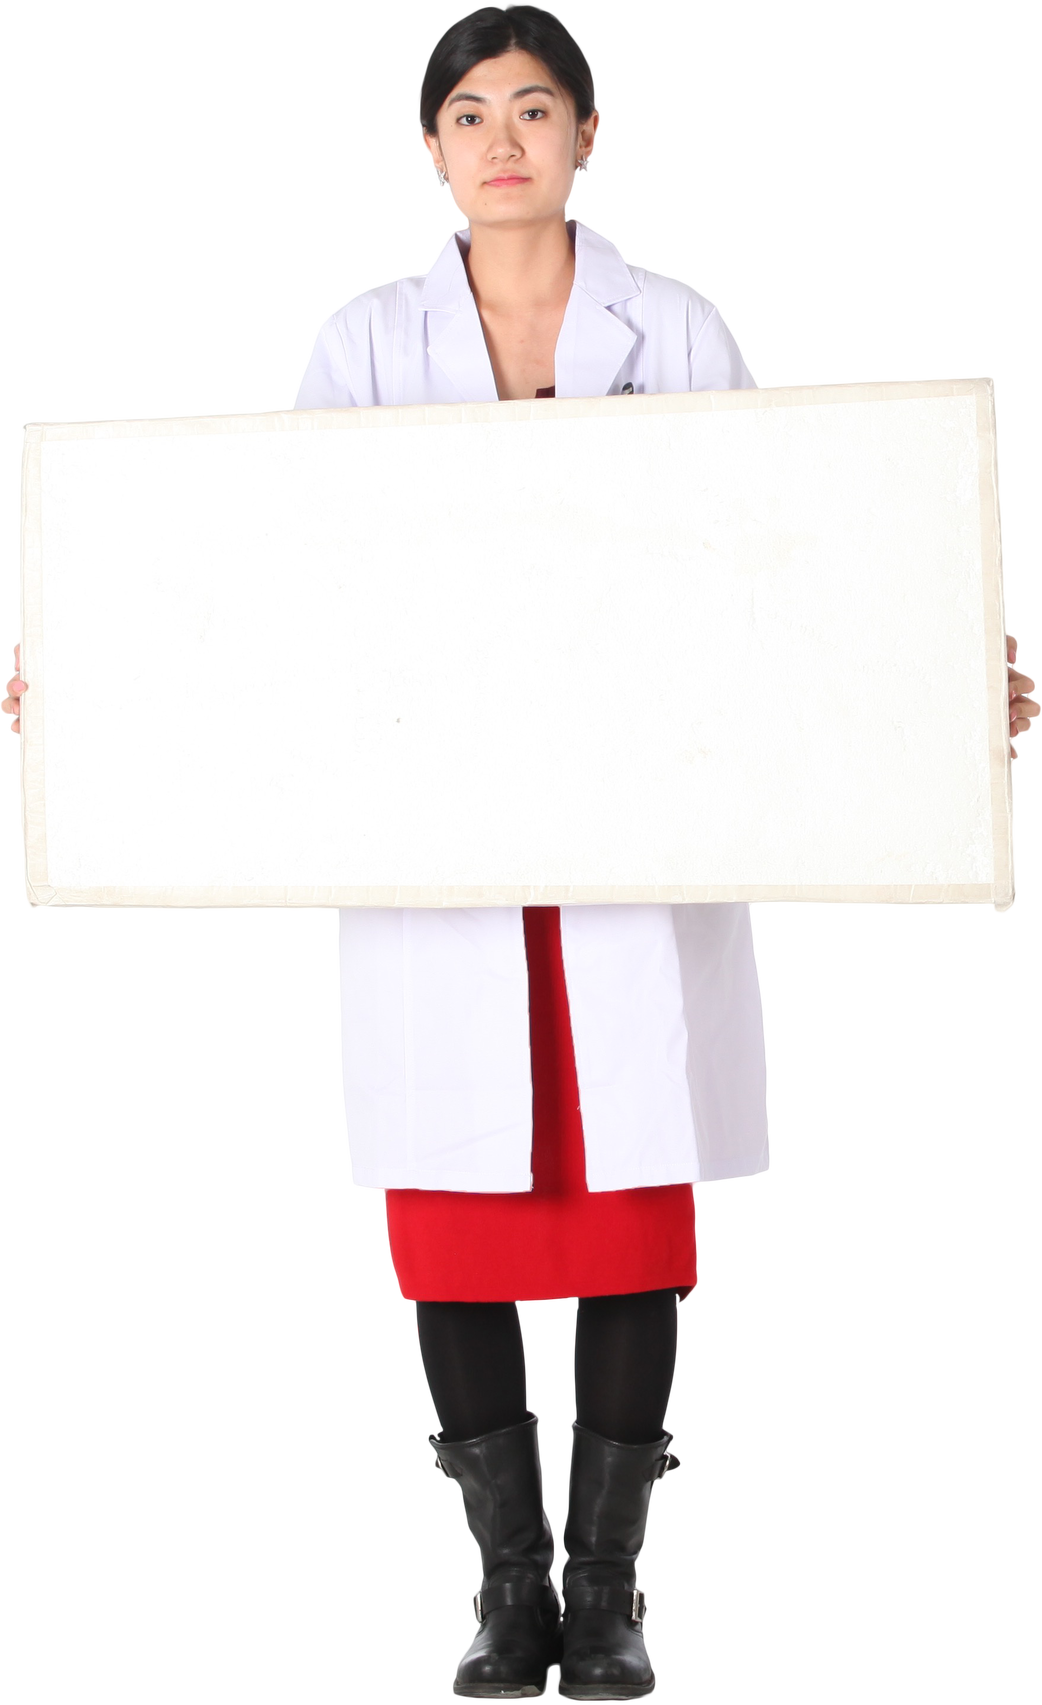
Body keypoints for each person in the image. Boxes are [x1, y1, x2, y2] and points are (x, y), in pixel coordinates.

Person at [4, 6, 1038, 1702]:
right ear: (429, 149)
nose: (503, 139)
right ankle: (504, 1586)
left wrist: (946, 682)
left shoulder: (672, 322)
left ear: (588, 134)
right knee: (453, 1204)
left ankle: (611, 1591)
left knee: (632, 1200)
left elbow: (794, 550)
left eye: (535, 108)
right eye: (470, 113)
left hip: (640, 826)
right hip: (445, 841)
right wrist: (91, 687)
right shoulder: (364, 340)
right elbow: (260, 578)